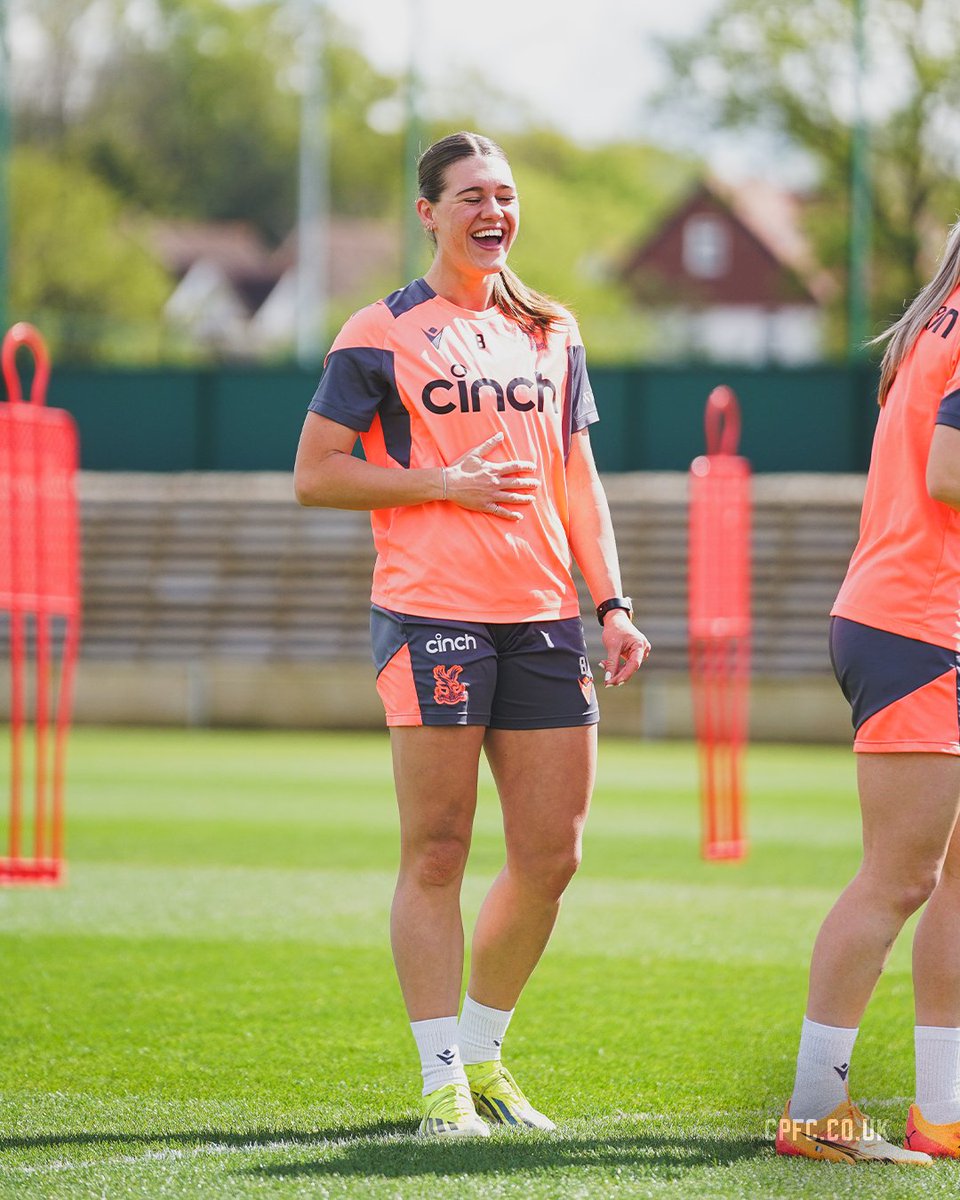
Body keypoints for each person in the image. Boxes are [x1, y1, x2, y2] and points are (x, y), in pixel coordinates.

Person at [294, 131, 650, 1138]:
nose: (493, 211)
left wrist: (612, 603)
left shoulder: (553, 328)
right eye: (470, 197)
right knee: (439, 851)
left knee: (552, 857)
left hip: (543, 622)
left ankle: (487, 1057)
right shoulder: (379, 330)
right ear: (429, 215)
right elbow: (315, 472)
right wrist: (441, 484)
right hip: (433, 617)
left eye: (505, 195)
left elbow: (579, 480)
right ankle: (439, 1077)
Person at [775, 217, 960, 1165]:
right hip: (921, 624)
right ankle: (815, 1113)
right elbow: (951, 472)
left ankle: (944, 1114)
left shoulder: (941, 314)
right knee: (901, 878)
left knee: (951, 882)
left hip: (918, 617)